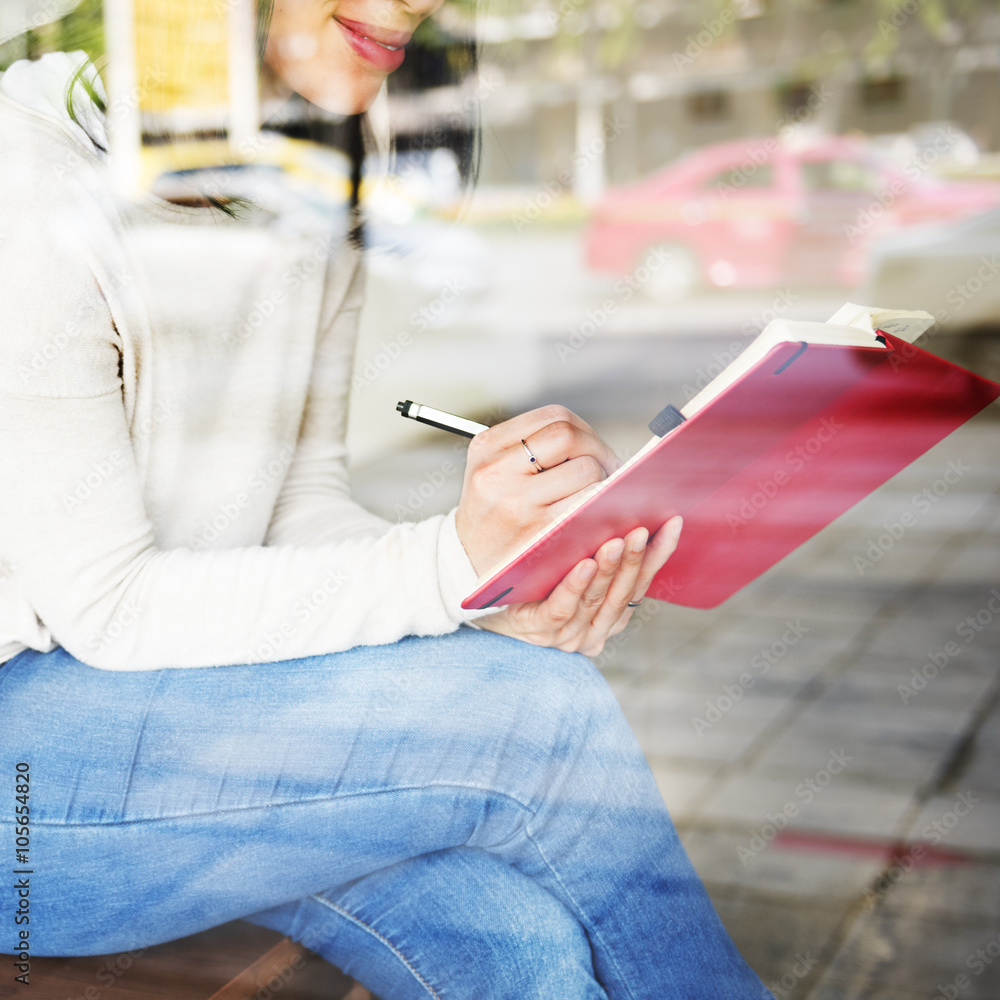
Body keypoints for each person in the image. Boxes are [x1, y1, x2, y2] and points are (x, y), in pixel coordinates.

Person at [0, 1, 774, 997]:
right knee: (537, 713)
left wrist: (494, 583)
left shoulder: (316, 169)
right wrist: (442, 569)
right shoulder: (29, 183)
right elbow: (106, 604)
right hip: (29, 784)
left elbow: (293, 506)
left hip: (182, 720)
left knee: (516, 945)